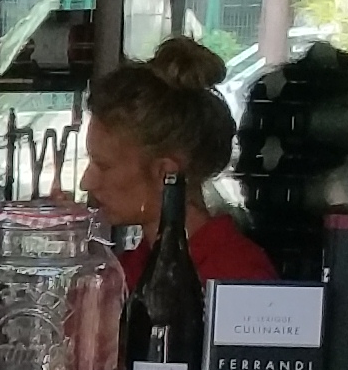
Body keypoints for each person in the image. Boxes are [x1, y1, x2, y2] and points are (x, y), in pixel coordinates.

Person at [80, 35, 279, 290]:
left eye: (104, 166)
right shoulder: (131, 268)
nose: (86, 182)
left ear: (166, 173)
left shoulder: (237, 277)